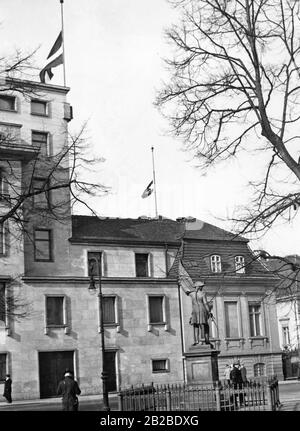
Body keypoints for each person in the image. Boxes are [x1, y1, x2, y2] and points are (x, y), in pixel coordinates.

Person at [187, 281, 213, 347]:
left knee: (196, 325)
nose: (202, 288)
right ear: (198, 287)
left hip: (195, 310)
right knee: (205, 325)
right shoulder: (202, 294)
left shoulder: (191, 294)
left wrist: (192, 290)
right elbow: (205, 303)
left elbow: (186, 290)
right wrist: (209, 311)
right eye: (201, 286)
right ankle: (207, 340)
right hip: (201, 310)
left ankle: (196, 341)